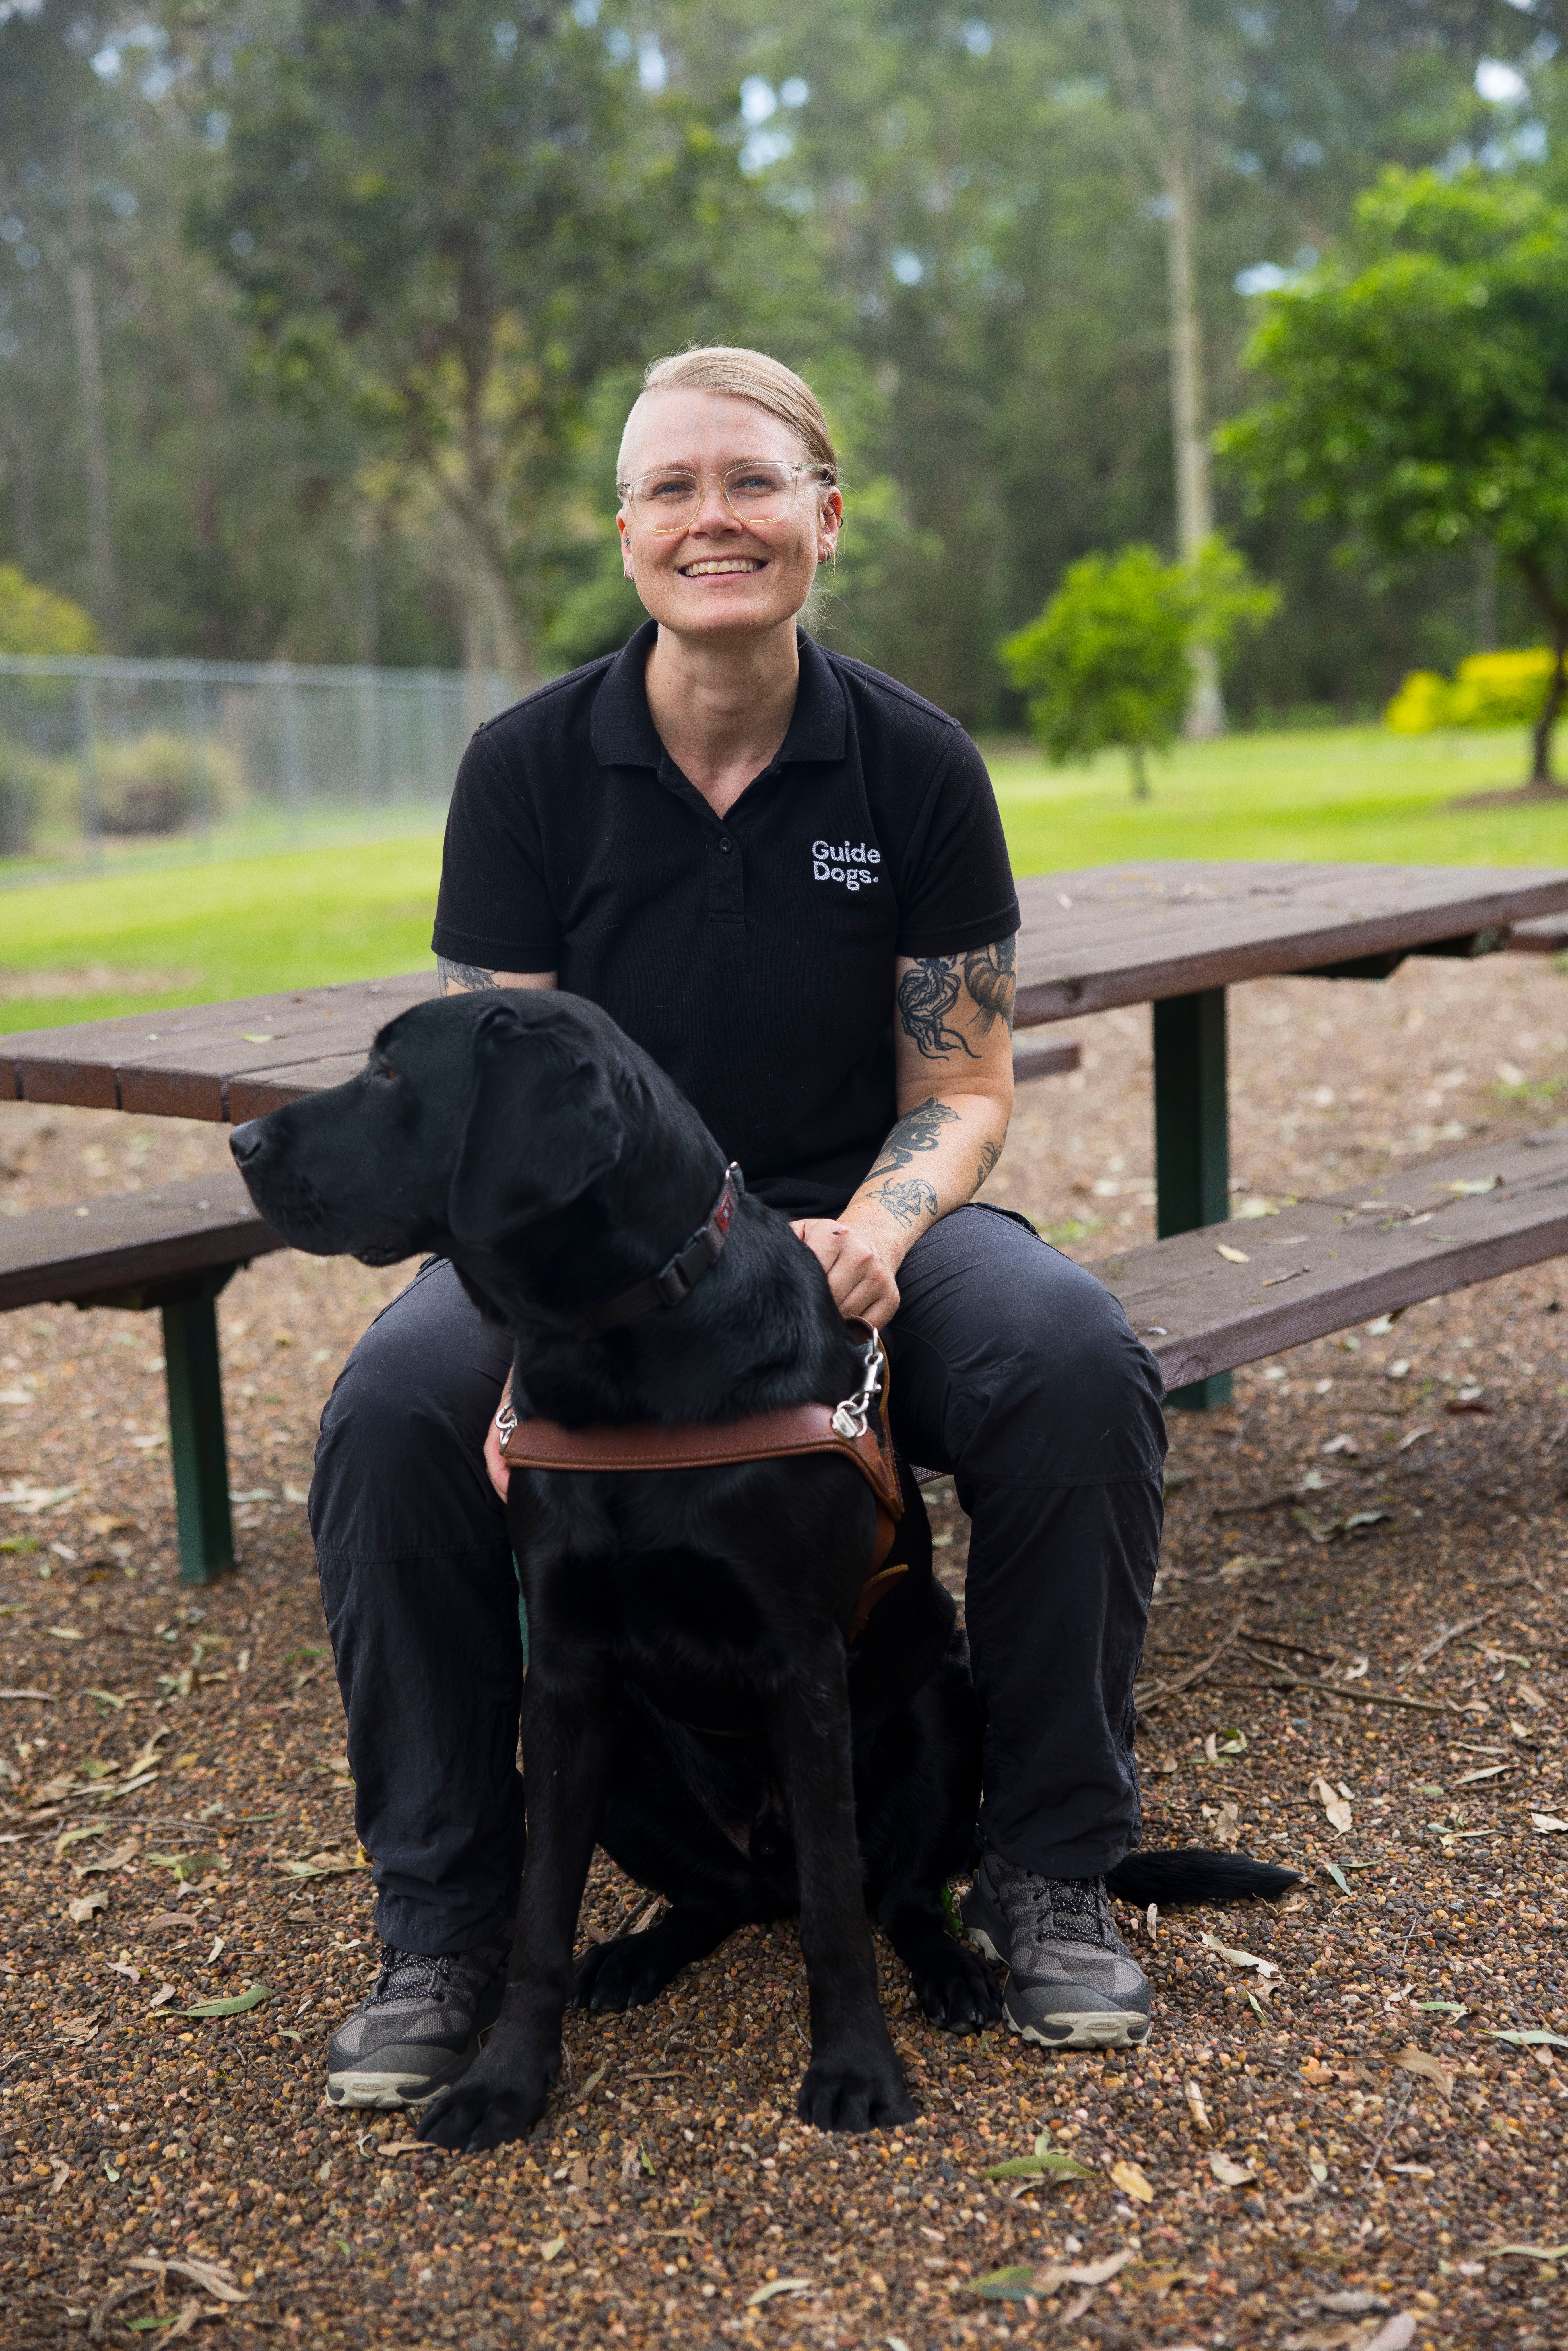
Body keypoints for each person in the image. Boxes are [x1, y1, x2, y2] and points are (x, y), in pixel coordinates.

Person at [310, 346, 1166, 2111]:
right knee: (394, 1411)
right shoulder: (527, 771)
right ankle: (445, 1921)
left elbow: (966, 1078)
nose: (716, 517)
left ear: (824, 518)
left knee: (1073, 1360)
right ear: (623, 534)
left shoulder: (917, 768)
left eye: (753, 481)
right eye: (673, 488)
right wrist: (521, 1349)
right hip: (580, 1272)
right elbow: (481, 1105)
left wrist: (884, 1213)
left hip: (849, 1236)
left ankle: (1049, 1871)